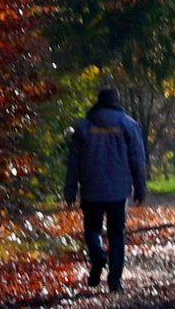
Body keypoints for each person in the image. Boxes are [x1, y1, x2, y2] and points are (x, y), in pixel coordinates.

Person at [63, 88, 148, 290]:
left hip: (91, 187)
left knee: (92, 229)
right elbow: (137, 159)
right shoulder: (129, 125)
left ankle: (99, 256)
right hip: (118, 190)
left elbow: (73, 161)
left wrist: (70, 189)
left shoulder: (83, 127)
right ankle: (115, 280)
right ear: (116, 102)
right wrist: (140, 188)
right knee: (117, 233)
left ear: (98, 102)